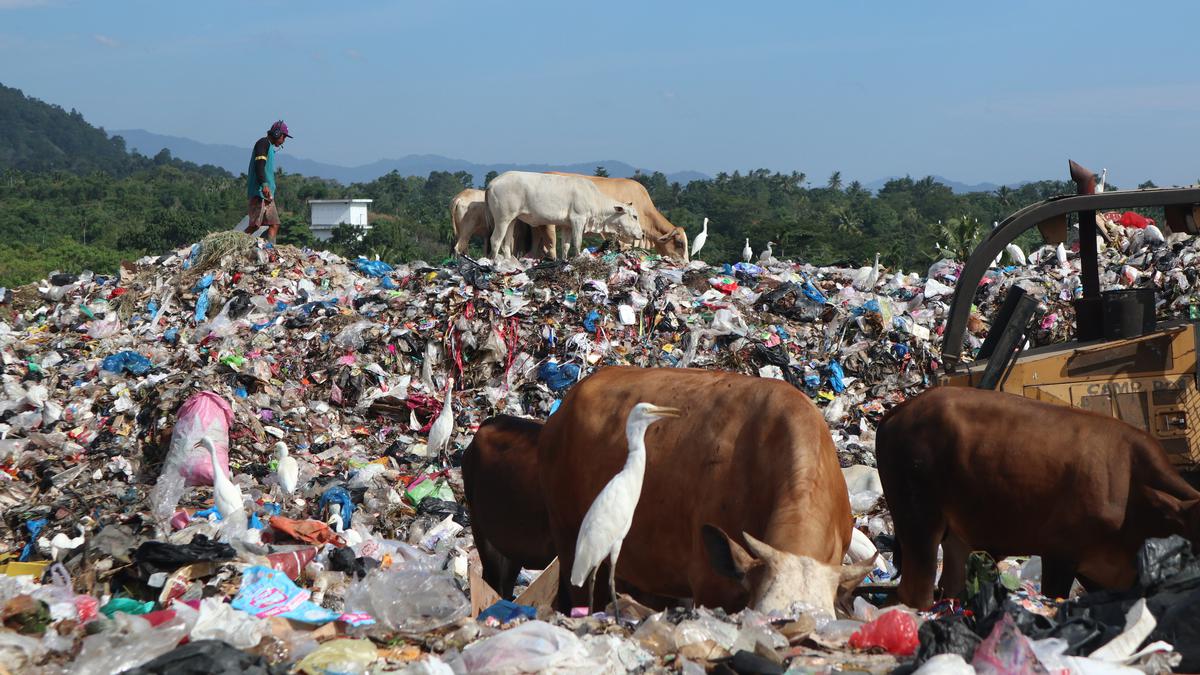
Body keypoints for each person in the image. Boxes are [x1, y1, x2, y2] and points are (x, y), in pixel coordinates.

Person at [246, 120, 293, 244]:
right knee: (255, 225)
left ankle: (271, 250)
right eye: (283, 137)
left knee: (274, 224)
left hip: (267, 194)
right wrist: (264, 184)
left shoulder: (270, 147)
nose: (284, 141)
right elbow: (259, 165)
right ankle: (234, 243)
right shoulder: (263, 143)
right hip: (259, 192)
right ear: (277, 133)